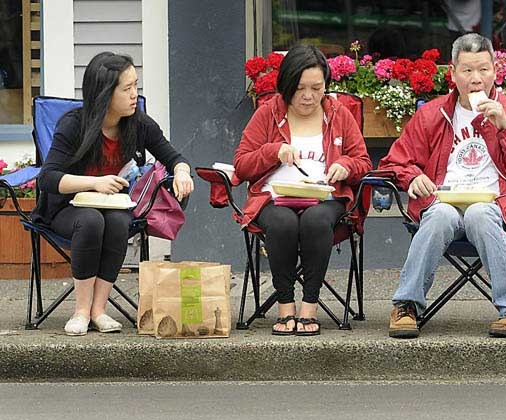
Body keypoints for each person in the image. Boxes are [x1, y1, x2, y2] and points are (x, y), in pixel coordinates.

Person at [378, 33, 506, 339]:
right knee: (438, 215)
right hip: (443, 202)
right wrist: (412, 176)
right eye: (468, 70)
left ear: (496, 71)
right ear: (452, 72)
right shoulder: (432, 114)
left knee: (479, 213)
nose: (476, 79)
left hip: (498, 206)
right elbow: (393, 163)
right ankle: (407, 305)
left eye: (484, 70)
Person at [33, 52, 194, 336]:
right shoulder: (74, 125)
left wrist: (181, 172)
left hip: (115, 207)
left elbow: (174, 156)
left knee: (119, 221)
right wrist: (92, 183)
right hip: (66, 209)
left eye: (136, 86)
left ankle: (99, 309)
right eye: (127, 88)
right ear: (106, 93)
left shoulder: (138, 123)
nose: (135, 94)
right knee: (92, 220)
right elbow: (47, 178)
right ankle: (81, 311)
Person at [234, 45, 372, 336]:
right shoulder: (268, 114)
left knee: (315, 220)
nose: (308, 96)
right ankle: (285, 306)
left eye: (316, 88)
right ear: (286, 86)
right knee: (283, 222)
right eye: (299, 88)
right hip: (274, 198)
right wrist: (273, 151)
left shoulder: (339, 115)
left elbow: (363, 162)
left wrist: (346, 164)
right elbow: (242, 165)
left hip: (326, 197)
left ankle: (309, 305)